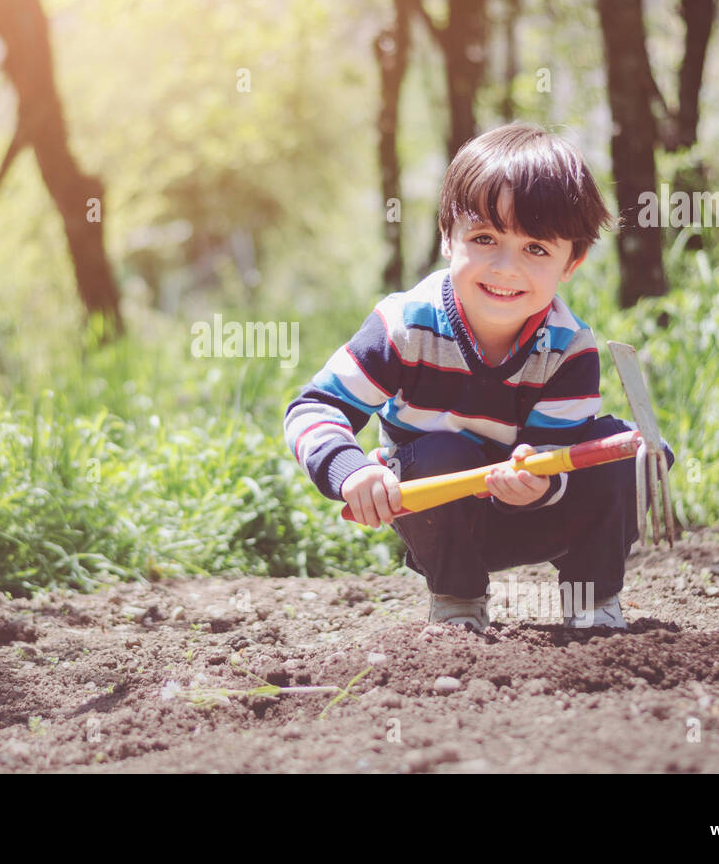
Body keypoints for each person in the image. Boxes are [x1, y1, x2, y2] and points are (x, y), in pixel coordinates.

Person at [283, 122, 674, 635]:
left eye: (536, 248)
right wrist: (350, 471)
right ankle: (458, 604)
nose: (505, 267)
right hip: (446, 522)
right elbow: (314, 407)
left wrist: (537, 483)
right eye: (485, 238)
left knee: (620, 447)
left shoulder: (568, 348)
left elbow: (554, 454)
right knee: (436, 452)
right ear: (448, 236)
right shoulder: (406, 327)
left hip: (541, 515)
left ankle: (593, 603)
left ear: (571, 263)